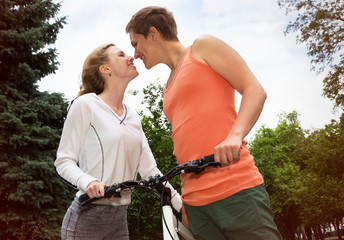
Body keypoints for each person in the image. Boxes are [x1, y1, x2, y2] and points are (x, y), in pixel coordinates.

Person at [126, 6, 282, 240]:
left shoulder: (202, 47)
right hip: (197, 205)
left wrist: (235, 135)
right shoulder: (166, 89)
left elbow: (255, 90)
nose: (135, 53)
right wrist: (187, 201)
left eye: (135, 43)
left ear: (153, 33)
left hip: (236, 189)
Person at [54, 43, 182, 240]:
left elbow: (150, 172)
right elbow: (63, 161)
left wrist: (180, 205)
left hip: (119, 218)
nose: (130, 57)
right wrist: (88, 181)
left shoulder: (133, 117)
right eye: (121, 55)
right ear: (105, 69)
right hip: (87, 217)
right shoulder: (85, 105)